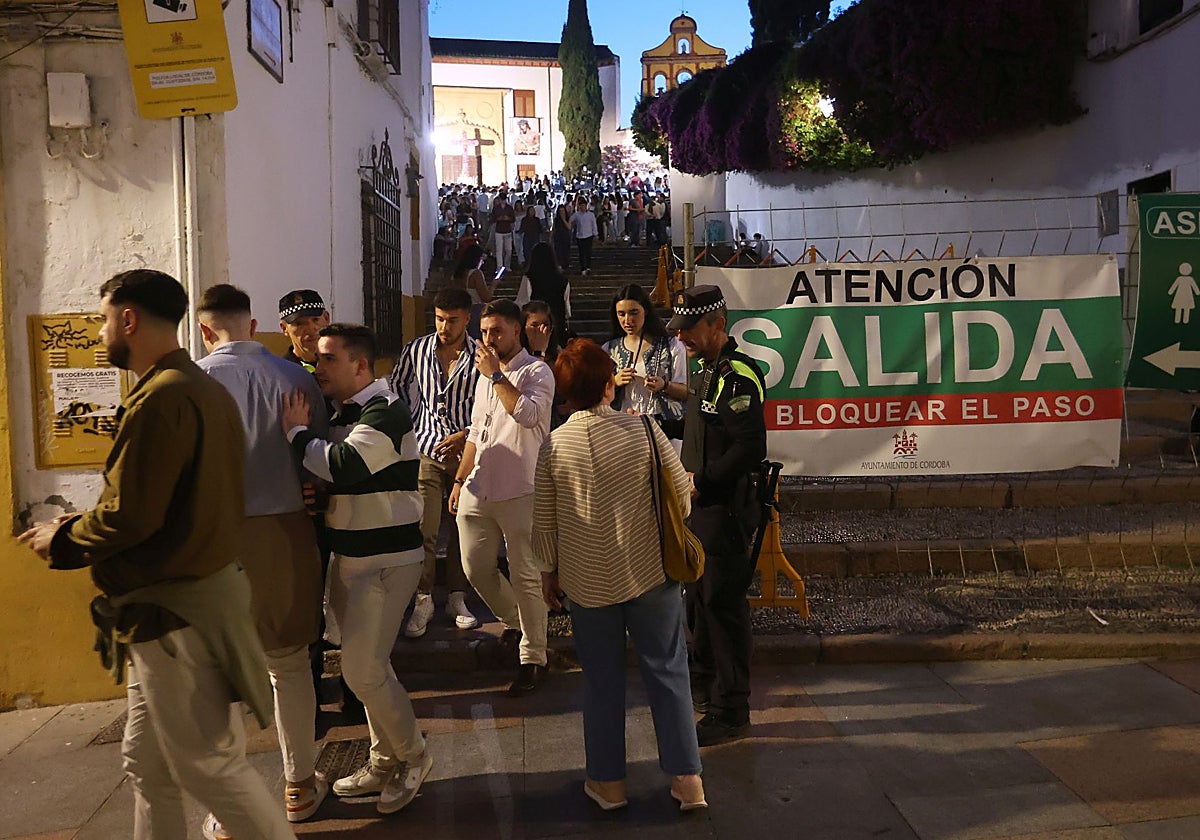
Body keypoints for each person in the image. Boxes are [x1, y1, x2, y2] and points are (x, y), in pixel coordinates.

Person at [19, 269, 293, 840]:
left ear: (128, 319)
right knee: (148, 766)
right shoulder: (197, 388)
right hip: (174, 607)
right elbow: (166, 502)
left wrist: (62, 539)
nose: (98, 334)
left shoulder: (164, 398)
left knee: (210, 767)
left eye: (101, 320)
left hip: (177, 613)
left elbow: (132, 515)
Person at [532, 339, 705, 812]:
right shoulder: (645, 431)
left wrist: (549, 572)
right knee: (668, 673)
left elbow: (544, 520)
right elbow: (681, 502)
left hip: (587, 581)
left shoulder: (555, 445)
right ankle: (688, 783)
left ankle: (608, 785)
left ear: (566, 395)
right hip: (651, 572)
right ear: (610, 386)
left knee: (602, 681)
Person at [282, 324, 433, 815]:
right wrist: (319, 489)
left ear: (360, 366)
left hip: (387, 562)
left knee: (363, 672)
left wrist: (296, 433)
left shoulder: (384, 410)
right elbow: (346, 480)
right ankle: (383, 758)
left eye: (328, 359)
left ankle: (414, 755)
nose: (317, 367)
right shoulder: (345, 412)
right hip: (352, 558)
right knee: (372, 667)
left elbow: (344, 464)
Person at [195, 285, 330, 833]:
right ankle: (298, 785)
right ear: (254, 327)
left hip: (213, 541)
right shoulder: (296, 378)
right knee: (289, 662)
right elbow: (317, 461)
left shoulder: (188, 383)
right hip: (283, 531)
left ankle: (229, 810)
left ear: (206, 331)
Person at [668, 285, 767, 748]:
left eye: (690, 329)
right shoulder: (705, 369)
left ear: (718, 325)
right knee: (699, 603)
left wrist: (703, 480)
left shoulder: (736, 374)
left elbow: (750, 446)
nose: (682, 337)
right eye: (680, 329)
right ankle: (709, 695)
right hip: (699, 509)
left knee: (722, 607)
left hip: (722, 509)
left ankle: (732, 708)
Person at [448, 300, 555, 696]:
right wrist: (460, 480)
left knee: (525, 575)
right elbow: (478, 432)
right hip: (479, 486)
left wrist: (496, 377)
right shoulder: (483, 379)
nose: (489, 339)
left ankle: (534, 657)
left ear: (517, 332)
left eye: (498, 332)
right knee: (475, 567)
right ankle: (517, 622)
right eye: (486, 331)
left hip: (522, 488)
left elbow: (526, 416)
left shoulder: (536, 372)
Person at [389, 289, 481, 638]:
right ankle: (423, 598)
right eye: (440, 318)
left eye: (452, 320)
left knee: (462, 529)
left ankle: (457, 596)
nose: (444, 326)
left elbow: (490, 403)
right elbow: (396, 389)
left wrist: (468, 433)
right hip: (426, 448)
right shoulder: (417, 350)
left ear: (467, 319)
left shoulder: (479, 355)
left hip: (467, 452)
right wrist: (409, 428)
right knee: (425, 530)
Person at [602, 283, 688, 442]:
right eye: (621, 314)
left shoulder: (671, 346)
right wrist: (614, 381)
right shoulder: (609, 349)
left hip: (665, 430)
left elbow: (687, 391)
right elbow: (595, 393)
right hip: (625, 430)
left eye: (634, 313)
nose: (628, 320)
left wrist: (665, 385)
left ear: (646, 311)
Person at [515, 242, 571, 349]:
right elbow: (567, 308)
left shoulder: (529, 278)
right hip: (557, 325)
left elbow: (522, 303)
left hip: (535, 327)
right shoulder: (563, 281)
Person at [448, 243, 495, 339]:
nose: (483, 262)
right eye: (482, 259)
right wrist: (494, 284)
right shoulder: (476, 274)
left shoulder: (456, 276)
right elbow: (486, 297)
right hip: (476, 311)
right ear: (477, 259)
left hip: (461, 311)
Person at [278, 288, 330, 372]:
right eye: (299, 323)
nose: (310, 329)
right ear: (284, 328)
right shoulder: (280, 373)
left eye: (315, 320)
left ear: (326, 318)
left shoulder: (343, 367)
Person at [570, 198, 599, 276]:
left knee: (588, 252)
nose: (583, 207)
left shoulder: (591, 215)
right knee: (581, 253)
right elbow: (570, 220)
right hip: (580, 236)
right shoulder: (577, 214)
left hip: (589, 235)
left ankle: (588, 267)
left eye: (584, 206)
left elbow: (594, 225)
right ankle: (583, 268)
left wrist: (595, 234)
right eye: (581, 206)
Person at [490, 193, 516, 269]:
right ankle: (499, 266)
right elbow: (492, 219)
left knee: (509, 250)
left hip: (507, 230)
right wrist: (499, 218)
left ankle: (507, 266)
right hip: (499, 230)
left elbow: (513, 218)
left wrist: (507, 218)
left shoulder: (509, 208)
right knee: (499, 250)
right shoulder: (496, 208)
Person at [551, 201, 573, 272]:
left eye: (563, 211)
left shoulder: (568, 218)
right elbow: (554, 228)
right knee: (558, 251)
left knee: (565, 251)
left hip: (565, 236)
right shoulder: (556, 219)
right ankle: (560, 265)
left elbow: (569, 227)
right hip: (558, 237)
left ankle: (565, 265)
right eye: (560, 211)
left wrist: (563, 219)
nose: (561, 212)